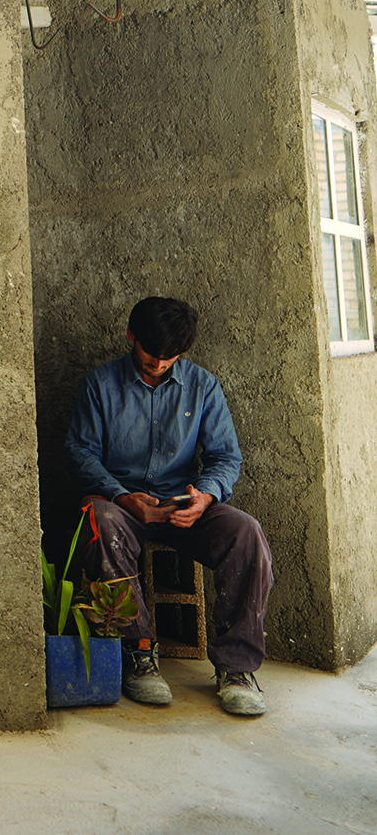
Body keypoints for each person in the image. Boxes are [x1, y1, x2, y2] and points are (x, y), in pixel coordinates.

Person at [64, 297, 274, 716]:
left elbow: (225, 458)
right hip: (122, 506)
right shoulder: (99, 385)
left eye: (169, 357)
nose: (158, 364)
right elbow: (80, 453)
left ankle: (236, 666)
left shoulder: (203, 386)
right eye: (150, 353)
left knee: (245, 531)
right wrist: (122, 496)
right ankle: (138, 651)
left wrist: (205, 496)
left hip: (184, 506)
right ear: (130, 336)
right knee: (100, 521)